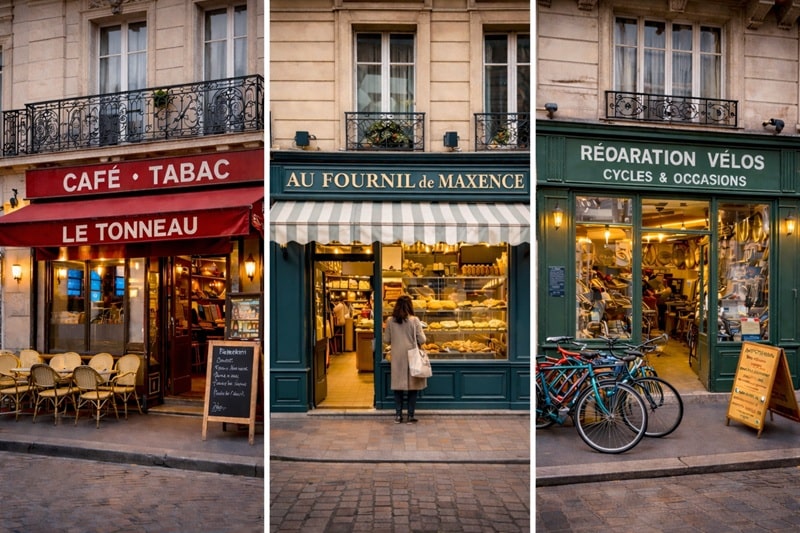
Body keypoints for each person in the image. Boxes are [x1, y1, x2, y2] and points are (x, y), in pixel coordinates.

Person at [384, 294, 427, 424]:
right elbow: (422, 339)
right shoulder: (415, 320)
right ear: (410, 306)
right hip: (412, 356)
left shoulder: (390, 321)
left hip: (397, 356)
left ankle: (398, 415)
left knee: (398, 387)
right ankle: (410, 416)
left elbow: (386, 340)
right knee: (413, 387)